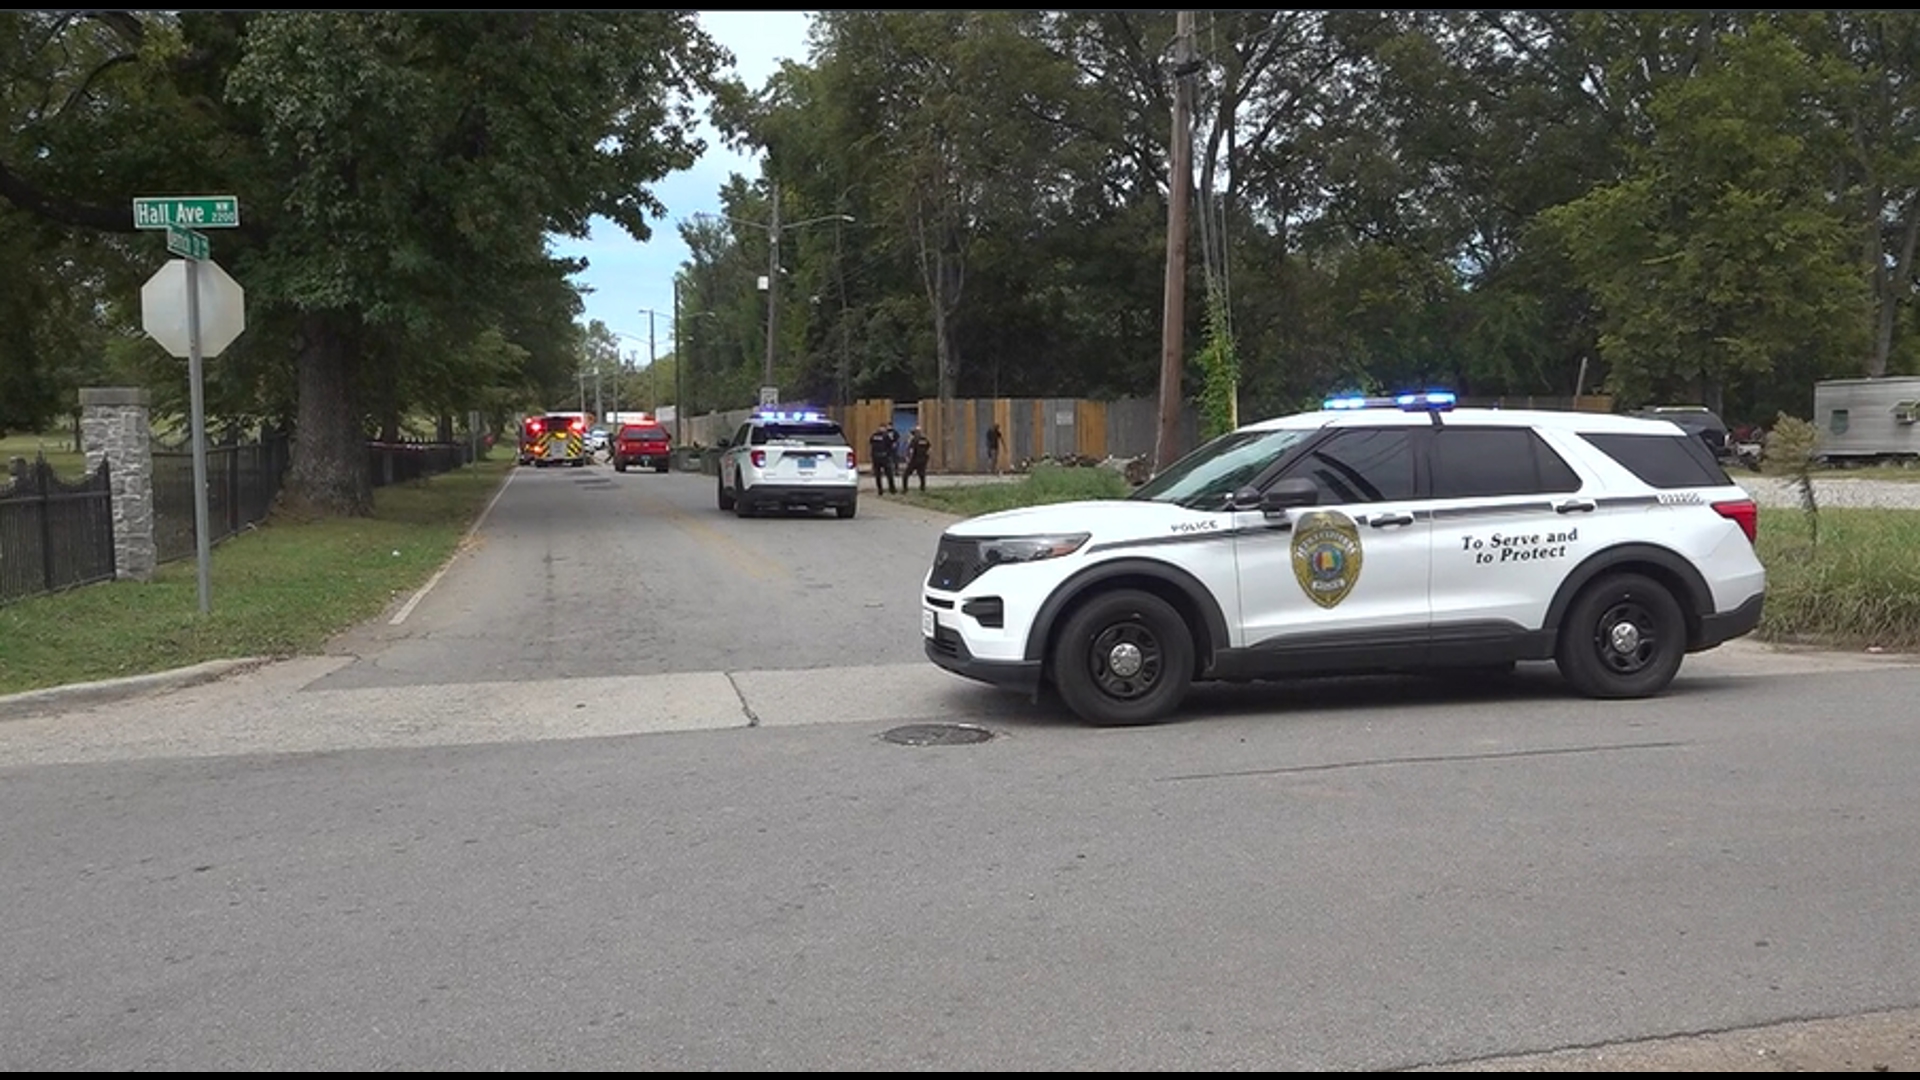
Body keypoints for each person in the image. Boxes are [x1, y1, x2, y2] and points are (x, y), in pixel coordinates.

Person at [868, 423, 898, 494]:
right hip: (884, 457)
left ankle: (882, 490)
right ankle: (890, 490)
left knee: (880, 475)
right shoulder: (886, 436)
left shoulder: (874, 435)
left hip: (877, 457)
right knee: (887, 474)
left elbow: (871, 443)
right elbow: (891, 445)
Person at [905, 426, 932, 491]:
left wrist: (908, 459)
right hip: (922, 460)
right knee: (922, 475)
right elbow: (929, 450)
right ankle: (922, 489)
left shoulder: (914, 440)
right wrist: (926, 459)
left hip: (914, 460)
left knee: (905, 475)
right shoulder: (925, 439)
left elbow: (911, 451)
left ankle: (905, 489)